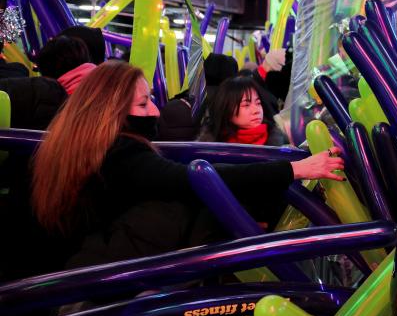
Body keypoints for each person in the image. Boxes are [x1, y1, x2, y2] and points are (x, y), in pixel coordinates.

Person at [29, 61, 344, 272]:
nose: (154, 111)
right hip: (100, 292)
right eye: (142, 104)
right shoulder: (118, 155)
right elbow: (193, 180)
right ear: (107, 111)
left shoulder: (76, 149)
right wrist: (297, 169)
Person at [198, 76, 288, 145]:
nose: (256, 111)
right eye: (246, 105)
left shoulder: (279, 145)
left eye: (258, 103)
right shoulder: (210, 149)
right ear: (226, 109)